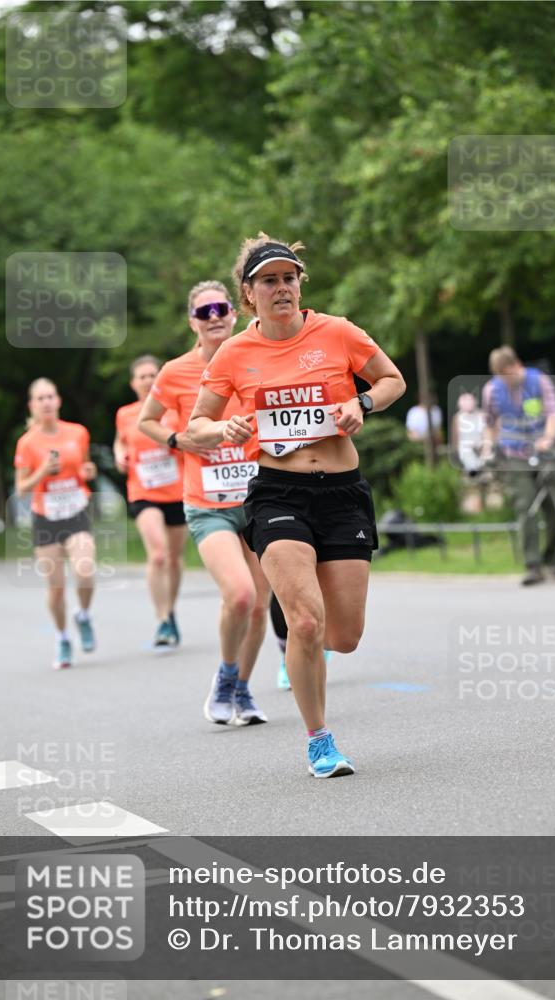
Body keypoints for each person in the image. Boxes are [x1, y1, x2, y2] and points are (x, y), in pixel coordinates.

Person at [188, 234, 406, 777]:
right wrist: (225, 428)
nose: (281, 287)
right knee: (305, 623)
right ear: (249, 294)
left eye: (289, 277)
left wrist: (361, 402)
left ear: (300, 285)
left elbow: (392, 379)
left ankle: (307, 648)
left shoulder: (337, 332)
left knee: (343, 635)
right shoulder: (235, 353)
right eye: (269, 280)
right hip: (278, 492)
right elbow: (197, 425)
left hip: (342, 492)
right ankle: (319, 741)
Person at [138, 281, 269, 726]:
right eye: (203, 311)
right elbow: (147, 421)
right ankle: (226, 676)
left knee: (259, 604)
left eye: (220, 308)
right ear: (191, 321)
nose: (213, 317)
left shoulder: (255, 357)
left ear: (234, 312)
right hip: (208, 504)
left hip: (259, 499)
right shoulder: (175, 371)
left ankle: (243, 689)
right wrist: (178, 440)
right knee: (240, 594)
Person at [14, 378, 98, 670]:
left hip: (76, 511)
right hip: (46, 518)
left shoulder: (78, 433)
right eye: (40, 398)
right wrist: (41, 472)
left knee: (85, 570)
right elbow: (21, 489)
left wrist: (89, 471)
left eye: (50, 396)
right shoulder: (27, 443)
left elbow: (85, 468)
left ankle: (83, 615)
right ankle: (63, 638)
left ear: (58, 400)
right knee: (57, 588)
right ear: (32, 406)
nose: (46, 402)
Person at [114, 355, 187, 648]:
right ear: (133, 383)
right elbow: (121, 440)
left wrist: (172, 442)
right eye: (141, 376)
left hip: (177, 491)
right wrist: (119, 455)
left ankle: (170, 609)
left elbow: (188, 440)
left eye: (152, 374)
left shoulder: (175, 409)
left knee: (174, 558)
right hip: (143, 492)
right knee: (158, 555)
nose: (147, 380)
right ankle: (162, 619)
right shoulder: (125, 414)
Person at [482, 347, 555, 585]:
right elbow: (490, 423)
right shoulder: (492, 390)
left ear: (517, 365)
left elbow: (554, 414)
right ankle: (533, 565)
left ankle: (552, 558)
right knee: (525, 505)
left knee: (554, 507)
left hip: (545, 451)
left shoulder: (540, 382)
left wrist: (548, 438)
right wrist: (488, 446)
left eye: (506, 373)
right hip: (514, 454)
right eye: (500, 375)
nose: (504, 380)